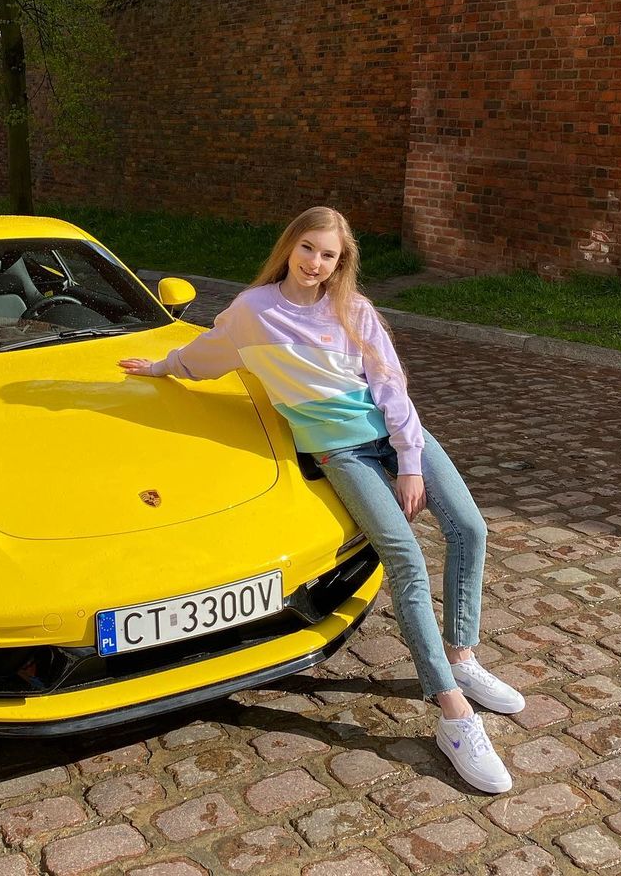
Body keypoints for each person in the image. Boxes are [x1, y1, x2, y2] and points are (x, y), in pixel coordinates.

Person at [119, 206, 524, 794]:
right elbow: (205, 356)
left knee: (470, 528)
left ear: (341, 262)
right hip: (342, 452)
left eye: (328, 255)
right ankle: (453, 712)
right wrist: (160, 368)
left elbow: (391, 387)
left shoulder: (353, 310)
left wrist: (410, 463)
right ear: (290, 247)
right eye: (308, 248)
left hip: (395, 434)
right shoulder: (253, 312)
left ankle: (461, 657)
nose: (315, 263)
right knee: (405, 558)